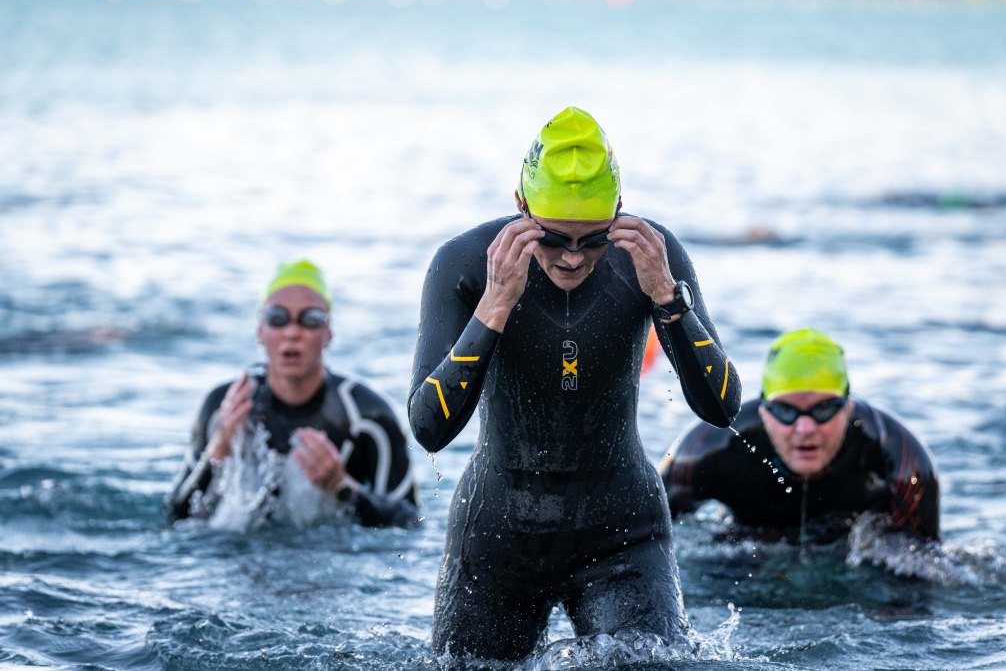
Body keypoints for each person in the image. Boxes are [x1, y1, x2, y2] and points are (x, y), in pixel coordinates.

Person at [408, 106, 742, 661]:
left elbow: (722, 408)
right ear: (521, 207)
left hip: (623, 535)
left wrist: (668, 299)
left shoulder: (652, 256)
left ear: (618, 211)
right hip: (497, 535)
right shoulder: (464, 263)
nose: (571, 257)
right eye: (553, 238)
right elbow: (429, 428)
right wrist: (494, 306)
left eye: (593, 241)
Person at [167, 260, 418, 528]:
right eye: (278, 318)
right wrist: (218, 450)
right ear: (260, 331)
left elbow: (409, 522)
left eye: (310, 319)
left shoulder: (368, 415)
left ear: (328, 333)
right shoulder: (223, 408)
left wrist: (342, 489)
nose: (292, 332)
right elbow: (176, 517)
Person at [660, 328, 939, 544]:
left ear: (848, 407)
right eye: (785, 410)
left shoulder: (899, 454)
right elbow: (640, 534)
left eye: (824, 408)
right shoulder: (706, 449)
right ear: (764, 411)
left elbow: (921, 570)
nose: (805, 428)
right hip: (746, 556)